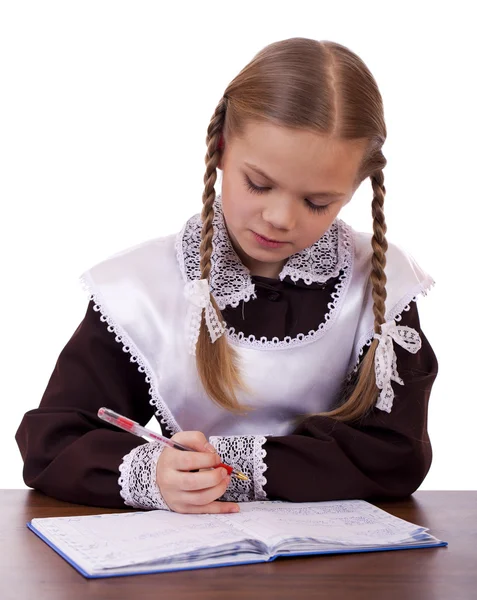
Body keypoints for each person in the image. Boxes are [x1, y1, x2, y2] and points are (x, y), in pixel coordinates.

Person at [16, 37, 438, 515]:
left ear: (356, 187)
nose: (280, 217)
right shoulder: (141, 289)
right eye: (259, 184)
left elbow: (395, 454)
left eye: (317, 202)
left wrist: (230, 467)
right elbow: (53, 440)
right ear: (220, 149)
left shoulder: (380, 285)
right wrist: (153, 474)